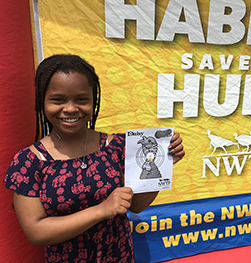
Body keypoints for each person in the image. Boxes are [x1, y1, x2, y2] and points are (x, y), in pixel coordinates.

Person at [3, 54, 185, 263]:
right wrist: (101, 210)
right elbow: (35, 231)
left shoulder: (117, 146)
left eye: (81, 99)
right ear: (41, 101)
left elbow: (135, 205)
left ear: (93, 100)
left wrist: (159, 165)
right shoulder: (28, 162)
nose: (71, 109)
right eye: (58, 100)